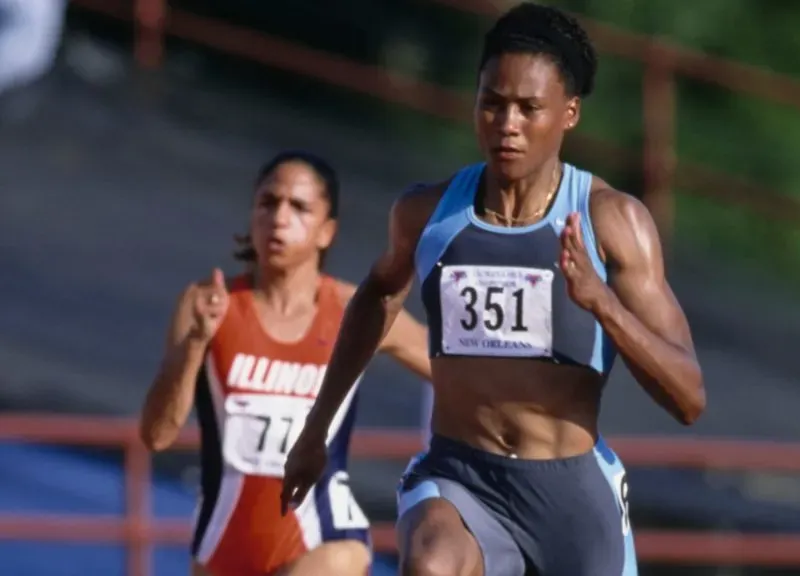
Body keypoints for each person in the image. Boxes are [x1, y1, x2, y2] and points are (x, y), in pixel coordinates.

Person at [282, 3, 705, 574]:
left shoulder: (612, 223)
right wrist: (316, 432)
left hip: (570, 492)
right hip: (460, 478)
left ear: (569, 114)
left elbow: (688, 397)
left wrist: (602, 302)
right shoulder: (426, 215)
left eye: (529, 109)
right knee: (430, 566)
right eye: (492, 104)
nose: (507, 124)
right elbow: (377, 297)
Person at [139, 151, 432, 576]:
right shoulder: (207, 306)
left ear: (327, 231)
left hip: (325, 542)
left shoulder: (358, 310)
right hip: (222, 548)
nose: (279, 218)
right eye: (267, 203)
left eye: (298, 207)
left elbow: (454, 370)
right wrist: (196, 342)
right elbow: (157, 435)